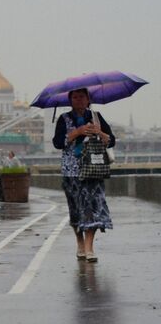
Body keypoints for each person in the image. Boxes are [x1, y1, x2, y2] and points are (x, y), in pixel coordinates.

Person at [53, 87, 115, 262]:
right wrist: (76, 133)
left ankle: (89, 248)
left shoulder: (96, 117)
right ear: (70, 100)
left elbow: (111, 140)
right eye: (75, 97)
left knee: (93, 208)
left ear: (88, 99)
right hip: (71, 171)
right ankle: (80, 242)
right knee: (76, 210)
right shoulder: (64, 119)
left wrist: (100, 132)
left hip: (93, 170)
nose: (79, 100)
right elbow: (58, 143)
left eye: (82, 97)